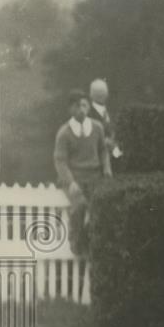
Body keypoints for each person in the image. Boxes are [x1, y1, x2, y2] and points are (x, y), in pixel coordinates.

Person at [54, 90, 112, 256]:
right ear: (70, 109)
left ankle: (95, 244)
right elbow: (60, 160)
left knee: (101, 207)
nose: (81, 109)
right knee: (79, 205)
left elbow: (103, 152)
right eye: (77, 106)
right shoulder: (64, 132)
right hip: (74, 180)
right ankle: (77, 244)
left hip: (94, 178)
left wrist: (107, 171)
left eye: (84, 105)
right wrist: (70, 182)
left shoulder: (97, 127)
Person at [88, 78, 122, 166]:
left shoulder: (112, 111)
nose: (101, 95)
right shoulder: (88, 114)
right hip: (98, 160)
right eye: (97, 92)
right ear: (91, 95)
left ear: (107, 93)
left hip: (116, 159)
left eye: (103, 92)